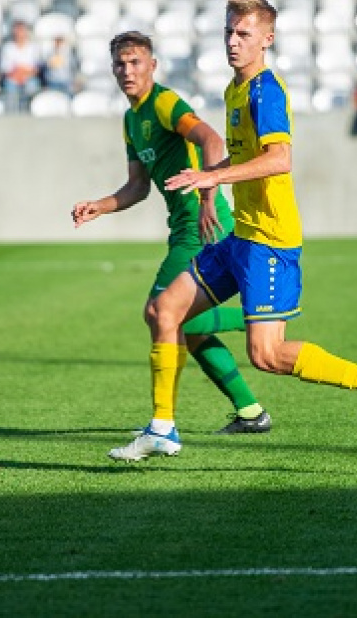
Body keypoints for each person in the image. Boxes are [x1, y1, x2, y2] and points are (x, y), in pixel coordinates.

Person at [108, 0, 357, 462]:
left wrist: (212, 177)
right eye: (229, 32)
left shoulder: (265, 91)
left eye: (243, 34)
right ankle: (162, 429)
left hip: (269, 239)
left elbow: (280, 159)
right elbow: (245, 159)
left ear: (267, 39)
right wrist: (211, 177)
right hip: (239, 237)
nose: (232, 41)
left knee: (267, 356)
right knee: (164, 311)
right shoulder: (234, 89)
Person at [73, 31, 271, 435]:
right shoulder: (132, 120)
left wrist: (205, 197)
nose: (127, 71)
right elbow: (137, 187)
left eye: (135, 62)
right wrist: (99, 205)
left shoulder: (163, 103)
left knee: (160, 311)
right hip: (183, 229)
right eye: (120, 64)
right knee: (183, 324)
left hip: (203, 225)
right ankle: (250, 410)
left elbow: (212, 140)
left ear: (152, 66)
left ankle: (256, 320)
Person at [0, 21, 43, 112]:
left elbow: (36, 68)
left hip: (29, 77)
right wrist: (18, 73)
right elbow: (5, 68)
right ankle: (11, 113)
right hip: (13, 78)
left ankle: (29, 113)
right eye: (17, 31)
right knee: (10, 85)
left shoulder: (33, 47)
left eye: (21, 31)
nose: (19, 34)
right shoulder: (8, 48)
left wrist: (24, 73)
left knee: (32, 86)